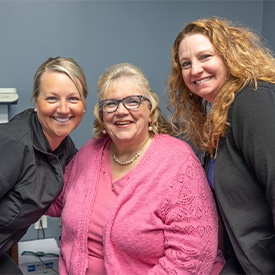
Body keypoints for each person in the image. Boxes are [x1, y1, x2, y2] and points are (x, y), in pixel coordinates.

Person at [47, 62, 224, 275]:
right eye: (111, 104)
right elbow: (52, 200)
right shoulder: (88, 154)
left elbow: (193, 254)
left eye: (133, 101)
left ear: (150, 111)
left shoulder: (178, 162)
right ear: (102, 115)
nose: (121, 111)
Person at [167, 17, 275, 274]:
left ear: (230, 55)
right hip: (242, 263)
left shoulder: (252, 100)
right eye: (186, 63)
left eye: (205, 56)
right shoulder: (218, 116)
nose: (195, 70)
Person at [0, 56, 88, 274]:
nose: (63, 109)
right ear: (36, 100)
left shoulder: (65, 148)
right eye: (52, 98)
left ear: (84, 105)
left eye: (73, 98)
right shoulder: (14, 143)